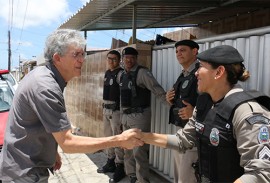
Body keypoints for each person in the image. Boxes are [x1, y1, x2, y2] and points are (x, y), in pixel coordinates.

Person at [0, 29, 143, 183]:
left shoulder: (47, 77)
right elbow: (68, 142)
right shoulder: (46, 86)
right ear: (57, 58)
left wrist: (52, 152)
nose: (82, 60)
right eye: (76, 55)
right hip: (24, 174)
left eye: (83, 54)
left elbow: (44, 123)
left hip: (27, 167)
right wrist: (119, 140)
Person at [140, 45, 270, 183]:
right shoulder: (204, 104)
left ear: (218, 72)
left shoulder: (247, 111)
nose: (196, 72)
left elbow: (262, 172)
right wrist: (141, 136)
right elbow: (183, 140)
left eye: (200, 66)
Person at [120, 47, 166, 183]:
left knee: (139, 151)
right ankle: (131, 175)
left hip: (140, 116)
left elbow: (157, 90)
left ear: (136, 59)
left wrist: (173, 107)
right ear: (123, 59)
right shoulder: (122, 74)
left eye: (132, 57)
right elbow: (123, 98)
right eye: (126, 57)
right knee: (127, 148)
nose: (129, 60)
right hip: (126, 116)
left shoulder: (143, 73)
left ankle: (143, 180)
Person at [166, 40, 199, 183]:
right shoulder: (184, 74)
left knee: (188, 176)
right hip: (180, 129)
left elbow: (213, 100)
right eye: (177, 51)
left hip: (194, 132)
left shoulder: (201, 72)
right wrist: (170, 98)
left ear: (195, 51)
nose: (178, 54)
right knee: (179, 174)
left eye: (183, 50)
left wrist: (195, 112)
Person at [97, 50, 125, 182]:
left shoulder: (121, 73)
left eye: (114, 59)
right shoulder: (107, 73)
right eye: (109, 59)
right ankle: (110, 162)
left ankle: (120, 166)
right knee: (108, 138)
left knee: (117, 139)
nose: (111, 61)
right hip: (106, 110)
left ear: (119, 60)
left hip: (116, 111)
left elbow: (123, 95)